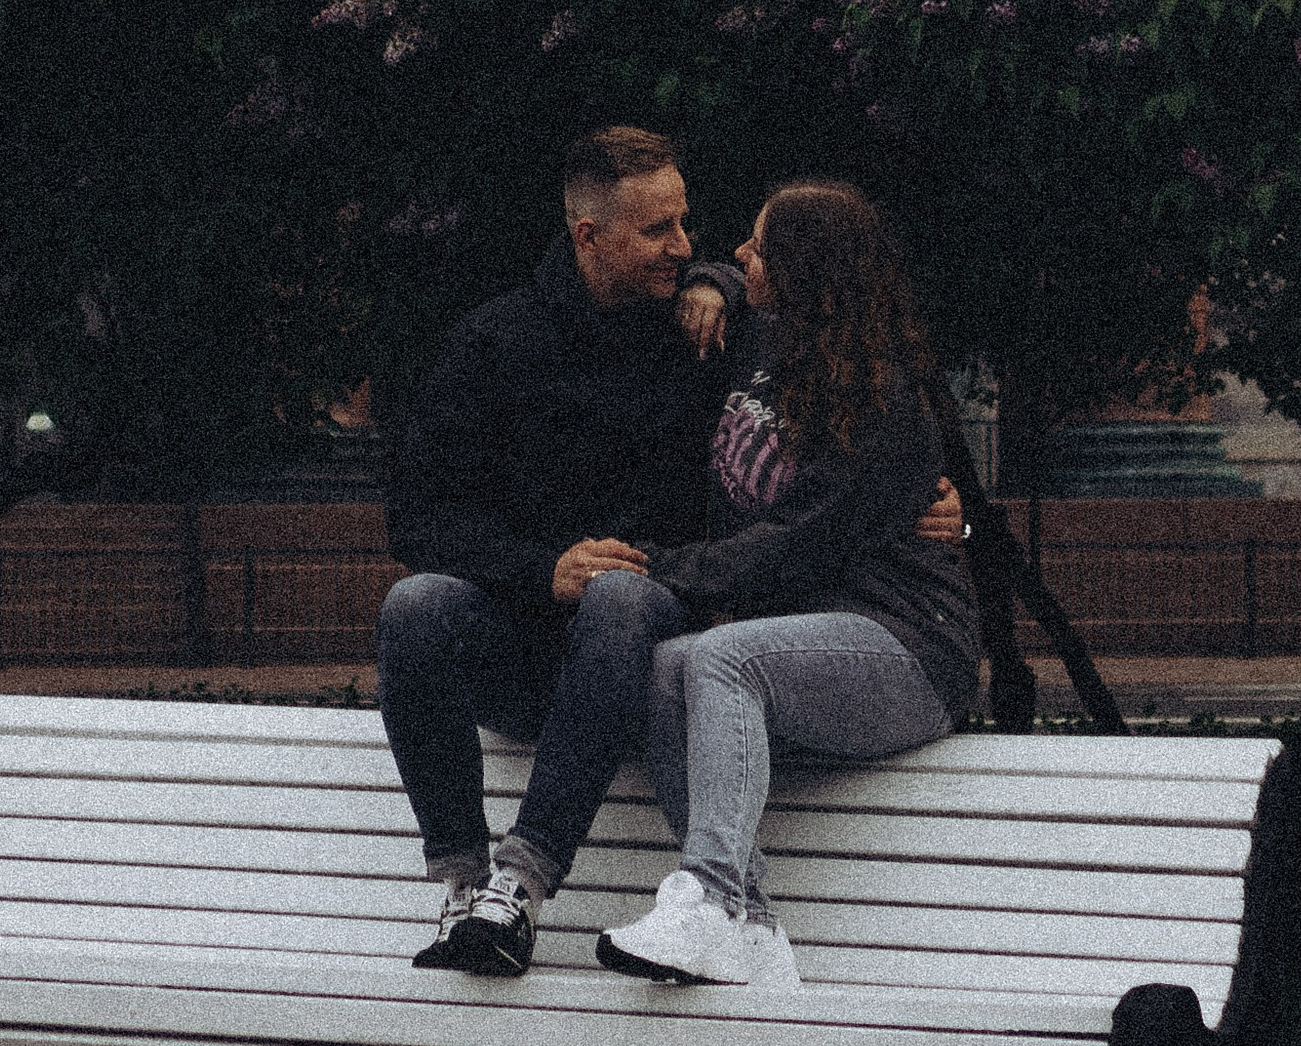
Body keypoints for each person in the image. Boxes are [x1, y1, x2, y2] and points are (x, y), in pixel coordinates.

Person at [378, 127, 962, 980]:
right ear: (590, 237)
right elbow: (420, 518)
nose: (687, 248)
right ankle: (468, 884)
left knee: (628, 603)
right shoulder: (496, 344)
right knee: (416, 606)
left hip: (654, 629)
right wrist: (541, 568)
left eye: (690, 225)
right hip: (540, 642)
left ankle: (528, 887)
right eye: (660, 232)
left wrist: (938, 505)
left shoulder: (706, 339)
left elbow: (830, 470)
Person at [598, 181, 981, 992]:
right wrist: (715, 284)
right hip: (810, 643)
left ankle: (707, 896)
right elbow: (718, 274)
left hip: (908, 647)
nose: (741, 253)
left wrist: (653, 564)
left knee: (720, 660)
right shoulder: (764, 345)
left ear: (805, 267)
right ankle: (755, 932)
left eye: (761, 246)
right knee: (670, 667)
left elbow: (794, 545)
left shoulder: (882, 394)